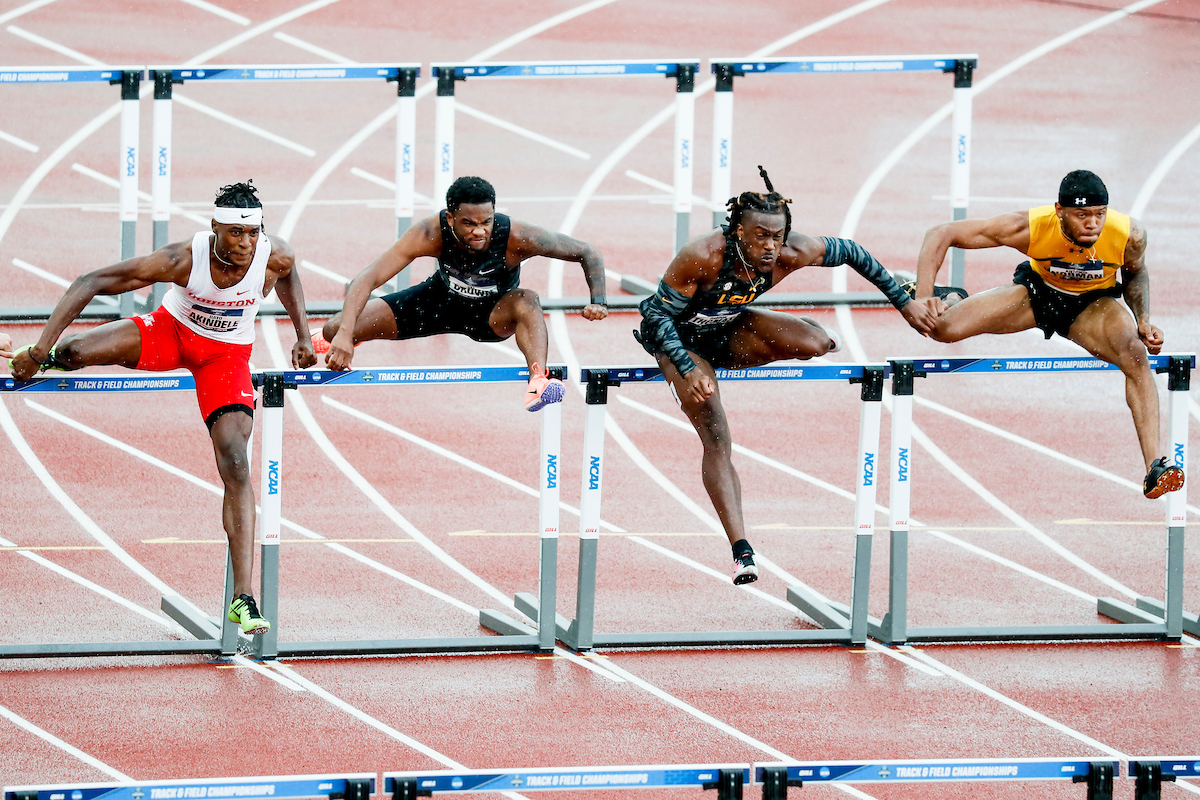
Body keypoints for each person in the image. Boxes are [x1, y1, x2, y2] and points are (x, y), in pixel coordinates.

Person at [9, 180, 316, 635]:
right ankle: (46, 357)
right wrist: (39, 351)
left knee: (236, 458)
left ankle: (243, 598)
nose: (245, 245)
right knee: (73, 354)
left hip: (225, 355)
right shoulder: (182, 259)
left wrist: (304, 335)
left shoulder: (275, 255)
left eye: (252, 235)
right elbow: (89, 281)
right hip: (171, 332)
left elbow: (288, 275)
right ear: (214, 228)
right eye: (234, 234)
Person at [635, 167, 943, 584]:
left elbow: (852, 251)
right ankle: (742, 550)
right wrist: (687, 369)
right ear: (737, 231)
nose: (769, 246)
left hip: (729, 329)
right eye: (760, 235)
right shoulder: (703, 255)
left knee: (820, 345)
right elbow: (655, 316)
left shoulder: (792, 252)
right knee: (715, 427)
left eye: (777, 237)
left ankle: (783, 333)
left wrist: (903, 303)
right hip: (680, 339)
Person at [912, 169, 1183, 499]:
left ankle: (1154, 466)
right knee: (940, 328)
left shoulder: (1129, 235)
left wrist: (1143, 320)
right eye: (1081, 215)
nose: (1092, 224)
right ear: (1059, 211)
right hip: (1036, 296)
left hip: (1092, 306)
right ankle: (953, 297)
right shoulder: (1030, 227)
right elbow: (940, 233)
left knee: (1135, 355)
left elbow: (1136, 273)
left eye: (1099, 215)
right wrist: (924, 295)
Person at [317, 176, 607, 409]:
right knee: (332, 330)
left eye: (486, 222)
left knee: (527, 299)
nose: (479, 231)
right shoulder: (430, 233)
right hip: (435, 303)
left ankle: (537, 382)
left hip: (491, 315)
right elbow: (368, 276)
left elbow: (586, 251)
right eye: (469, 223)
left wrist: (599, 300)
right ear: (451, 218)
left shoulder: (518, 237)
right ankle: (350, 335)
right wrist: (344, 334)